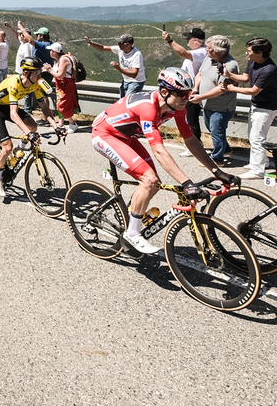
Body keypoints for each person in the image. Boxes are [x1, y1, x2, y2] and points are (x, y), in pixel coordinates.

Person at [90, 68, 236, 254]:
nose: (186, 98)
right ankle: (133, 234)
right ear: (165, 92)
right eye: (182, 94)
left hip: (127, 136)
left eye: (189, 93)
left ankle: (132, 215)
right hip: (105, 134)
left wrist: (217, 171)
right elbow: (158, 150)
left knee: (154, 184)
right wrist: (186, 183)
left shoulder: (177, 108)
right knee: (149, 180)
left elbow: (190, 141)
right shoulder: (147, 108)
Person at [0, 57, 64, 197]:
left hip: (9, 106)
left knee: (33, 126)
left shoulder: (35, 85)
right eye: (37, 72)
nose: (40, 75)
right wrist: (28, 133)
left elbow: (44, 108)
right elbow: (14, 114)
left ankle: (19, 149)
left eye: (40, 71)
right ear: (27, 73)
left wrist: (56, 126)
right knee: (7, 146)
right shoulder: (14, 83)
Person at [221, 38, 277, 179]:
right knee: (253, 136)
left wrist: (231, 88)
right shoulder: (253, 62)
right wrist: (228, 75)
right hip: (257, 105)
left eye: (249, 51)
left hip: (267, 107)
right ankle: (262, 162)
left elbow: (254, 90)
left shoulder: (269, 69)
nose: (246, 53)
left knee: (257, 138)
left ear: (259, 53)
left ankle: (257, 171)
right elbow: (245, 78)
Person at [188, 35, 240, 164]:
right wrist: (196, 88)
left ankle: (217, 159)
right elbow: (200, 73)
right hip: (207, 104)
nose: (206, 50)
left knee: (217, 131)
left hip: (221, 106)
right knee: (212, 128)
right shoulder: (209, 58)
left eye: (209, 48)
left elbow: (222, 89)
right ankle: (225, 148)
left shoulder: (230, 65)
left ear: (218, 50)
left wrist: (201, 96)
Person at [162, 27, 207, 152]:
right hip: (190, 89)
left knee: (191, 119)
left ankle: (196, 146)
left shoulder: (201, 52)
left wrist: (170, 41)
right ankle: (196, 145)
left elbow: (182, 53)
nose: (187, 41)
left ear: (195, 40)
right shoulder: (200, 52)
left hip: (193, 90)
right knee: (190, 118)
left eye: (189, 39)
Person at [83, 33, 146, 98]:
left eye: (120, 43)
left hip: (136, 81)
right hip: (126, 80)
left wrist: (118, 68)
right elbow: (102, 47)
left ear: (127, 44)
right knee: (122, 102)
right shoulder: (120, 49)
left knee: (127, 102)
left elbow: (134, 74)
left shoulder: (137, 54)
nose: (118, 44)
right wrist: (91, 43)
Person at [47, 43, 78, 132]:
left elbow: (60, 75)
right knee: (60, 103)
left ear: (55, 52)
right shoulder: (58, 59)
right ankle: (61, 124)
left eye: (51, 51)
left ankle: (72, 124)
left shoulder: (63, 60)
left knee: (63, 105)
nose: (50, 53)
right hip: (61, 85)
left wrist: (49, 70)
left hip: (66, 85)